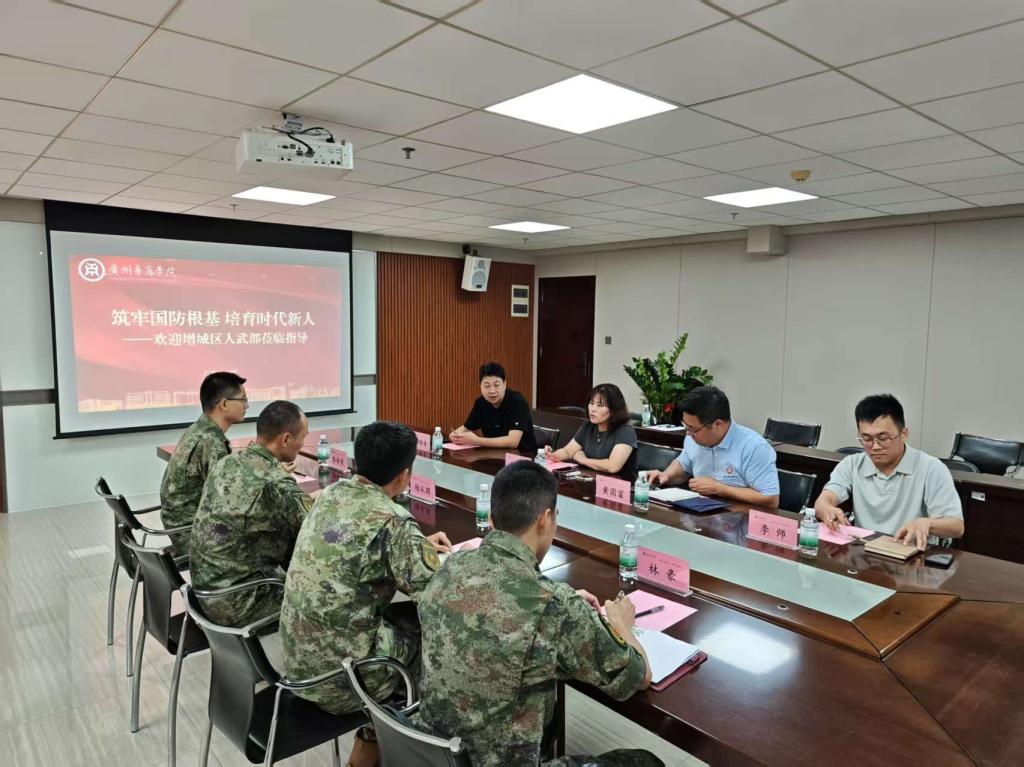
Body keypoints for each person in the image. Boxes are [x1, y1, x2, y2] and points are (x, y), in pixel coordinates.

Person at [418, 461, 661, 767]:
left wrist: (563, 604)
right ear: (545, 519)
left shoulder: (452, 565)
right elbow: (638, 676)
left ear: (491, 517)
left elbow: (499, 601)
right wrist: (621, 623)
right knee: (645, 762)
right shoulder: (554, 606)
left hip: (432, 753)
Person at [280, 421, 452, 767]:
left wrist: (417, 545)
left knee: (400, 618)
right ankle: (423, 750)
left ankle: (369, 747)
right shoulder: (393, 522)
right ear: (405, 475)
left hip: (296, 665)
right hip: (344, 682)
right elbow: (440, 597)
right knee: (441, 639)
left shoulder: (330, 494)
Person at [189, 400, 313, 627]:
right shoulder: (276, 483)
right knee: (330, 597)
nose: (303, 444)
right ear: (286, 439)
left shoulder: (227, 462)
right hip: (240, 602)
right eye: (302, 438)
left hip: (205, 591)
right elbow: (315, 531)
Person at [814, 394, 964, 548]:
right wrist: (827, 509)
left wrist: (927, 524)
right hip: (864, 552)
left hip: (911, 554)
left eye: (883, 438)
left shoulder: (931, 468)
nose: (875, 446)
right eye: (867, 439)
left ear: (904, 434)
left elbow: (957, 526)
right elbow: (822, 502)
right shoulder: (852, 464)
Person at [647, 386, 779, 508]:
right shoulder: (692, 438)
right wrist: (665, 476)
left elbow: (770, 499)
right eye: (686, 426)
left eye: (693, 429)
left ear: (718, 424)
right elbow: (684, 464)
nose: (688, 434)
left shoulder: (754, 447)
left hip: (738, 518)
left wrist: (720, 489)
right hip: (700, 513)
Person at [159, 372, 247, 554]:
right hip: (193, 534)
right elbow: (228, 500)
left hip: (180, 525)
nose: (246, 405)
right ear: (224, 404)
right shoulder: (211, 441)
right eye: (243, 400)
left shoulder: (200, 429)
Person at [545, 383, 638, 481]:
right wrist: (553, 455)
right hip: (592, 481)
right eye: (591, 403)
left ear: (614, 409)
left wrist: (583, 460)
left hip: (618, 486)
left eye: (599, 405)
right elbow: (568, 451)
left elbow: (612, 466)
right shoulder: (588, 426)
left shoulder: (625, 431)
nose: (593, 409)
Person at [450, 361, 538, 453]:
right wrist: (455, 435)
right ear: (480, 386)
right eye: (487, 386)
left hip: (522, 456)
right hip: (493, 455)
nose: (492, 391)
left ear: (504, 384)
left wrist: (476, 440)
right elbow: (465, 428)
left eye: (496, 385)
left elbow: (513, 442)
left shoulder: (517, 401)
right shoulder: (481, 403)